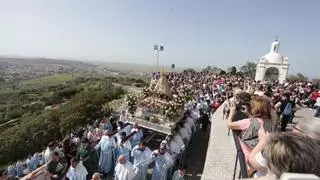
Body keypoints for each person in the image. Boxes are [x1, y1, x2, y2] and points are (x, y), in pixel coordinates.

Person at [227, 96, 275, 161]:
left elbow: (229, 125)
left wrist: (231, 112)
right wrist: (248, 114)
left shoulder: (247, 122)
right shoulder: (270, 123)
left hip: (248, 156)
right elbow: (258, 121)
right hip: (261, 155)